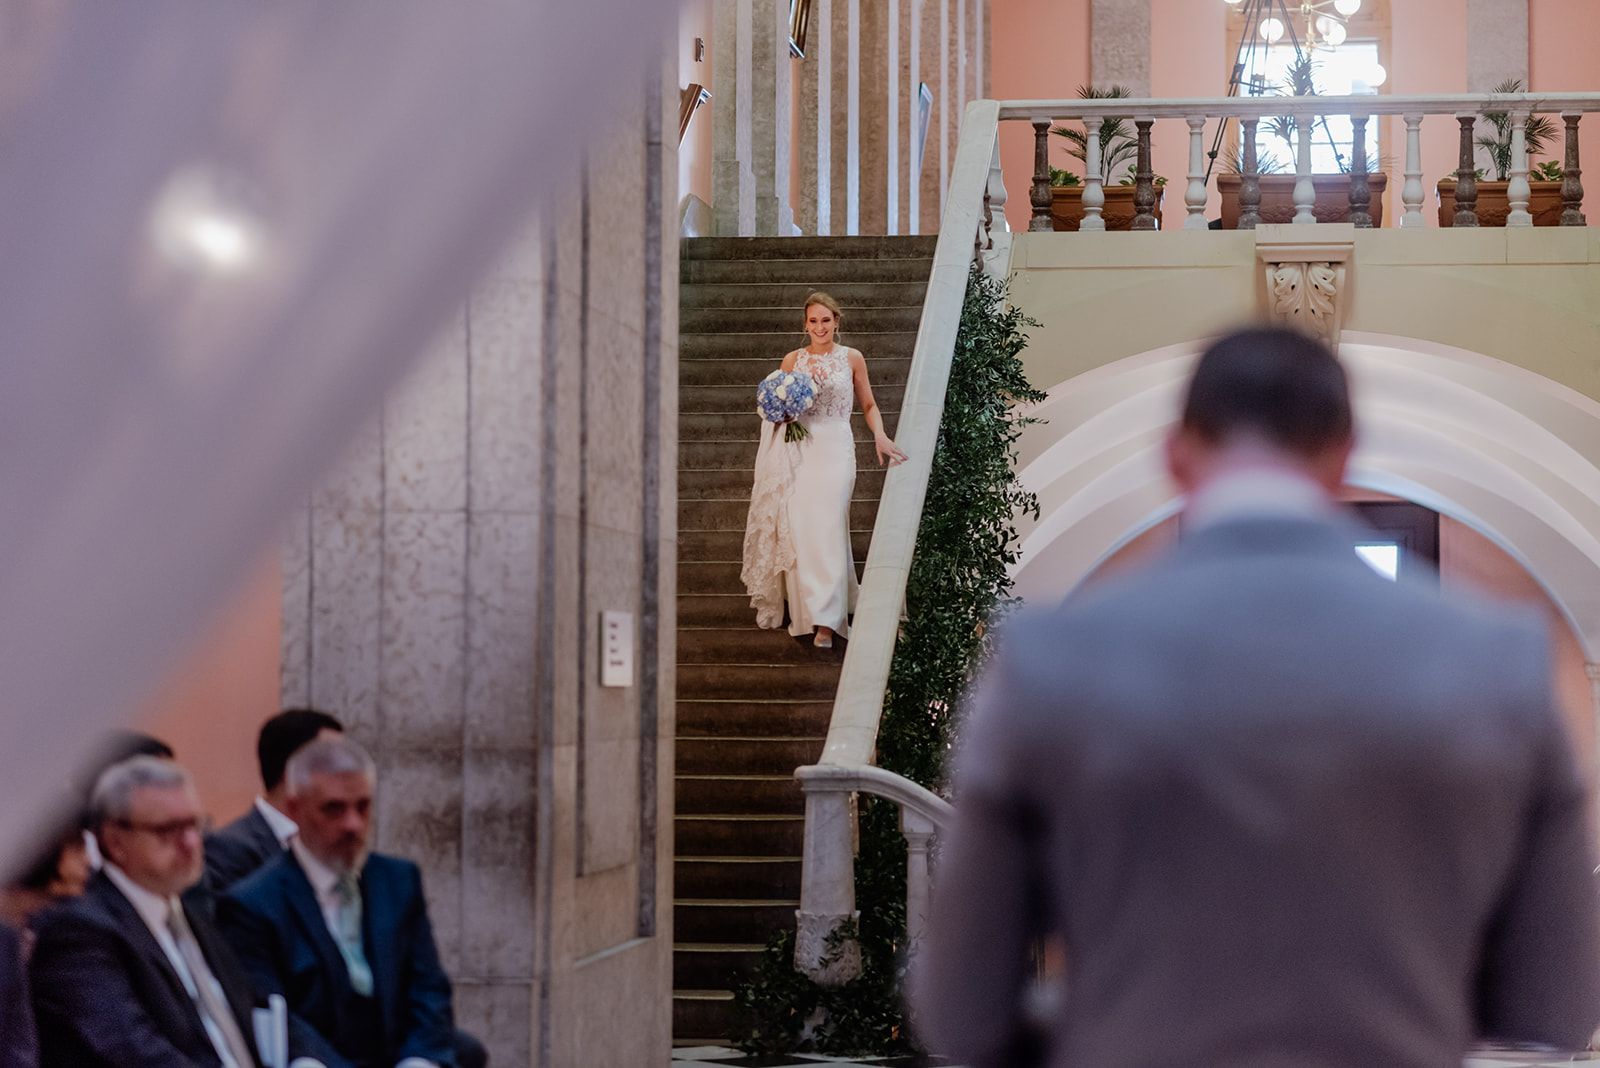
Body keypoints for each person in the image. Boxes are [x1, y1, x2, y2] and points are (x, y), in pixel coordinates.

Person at [911, 326, 1600, 1066]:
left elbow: (961, 1011)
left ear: (1176, 456)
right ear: (1343, 457)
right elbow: (1557, 1007)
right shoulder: (1500, 663)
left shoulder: (1049, 662)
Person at [218, 736, 487, 1068]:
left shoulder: (398, 881)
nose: (352, 825)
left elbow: (428, 988)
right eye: (334, 809)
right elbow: (276, 1017)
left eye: (363, 806)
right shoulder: (252, 904)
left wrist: (420, 1061)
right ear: (295, 810)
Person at [29, 756, 275, 1067]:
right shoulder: (78, 930)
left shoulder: (185, 907)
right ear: (115, 841)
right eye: (168, 830)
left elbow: (259, 1008)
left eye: (194, 825)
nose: (190, 843)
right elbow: (132, 1051)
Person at [743, 291, 906, 649]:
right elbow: (776, 407)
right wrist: (784, 413)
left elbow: (869, 403)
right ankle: (810, 613)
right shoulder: (792, 360)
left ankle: (828, 623)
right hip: (798, 451)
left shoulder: (852, 358)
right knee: (802, 530)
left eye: (826, 320)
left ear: (837, 322)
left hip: (835, 447)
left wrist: (879, 435)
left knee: (830, 526)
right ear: (806, 324)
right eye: (813, 321)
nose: (820, 327)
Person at [205, 709, 345, 894]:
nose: (347, 776)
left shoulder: (337, 842)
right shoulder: (228, 849)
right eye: (333, 764)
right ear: (294, 774)